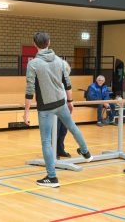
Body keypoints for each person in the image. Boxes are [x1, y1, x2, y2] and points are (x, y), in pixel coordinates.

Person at [23, 32, 93, 188]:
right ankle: (86, 152)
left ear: (35, 44)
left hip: (45, 108)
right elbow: (67, 84)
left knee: (46, 141)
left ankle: (52, 177)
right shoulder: (60, 61)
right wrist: (70, 101)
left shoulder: (33, 64)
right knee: (72, 127)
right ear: (49, 42)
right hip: (61, 103)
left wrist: (26, 112)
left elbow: (29, 90)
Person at [56, 61, 72, 160]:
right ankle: (53, 151)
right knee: (55, 131)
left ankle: (60, 149)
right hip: (56, 109)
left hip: (65, 109)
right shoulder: (54, 80)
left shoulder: (66, 81)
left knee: (63, 131)